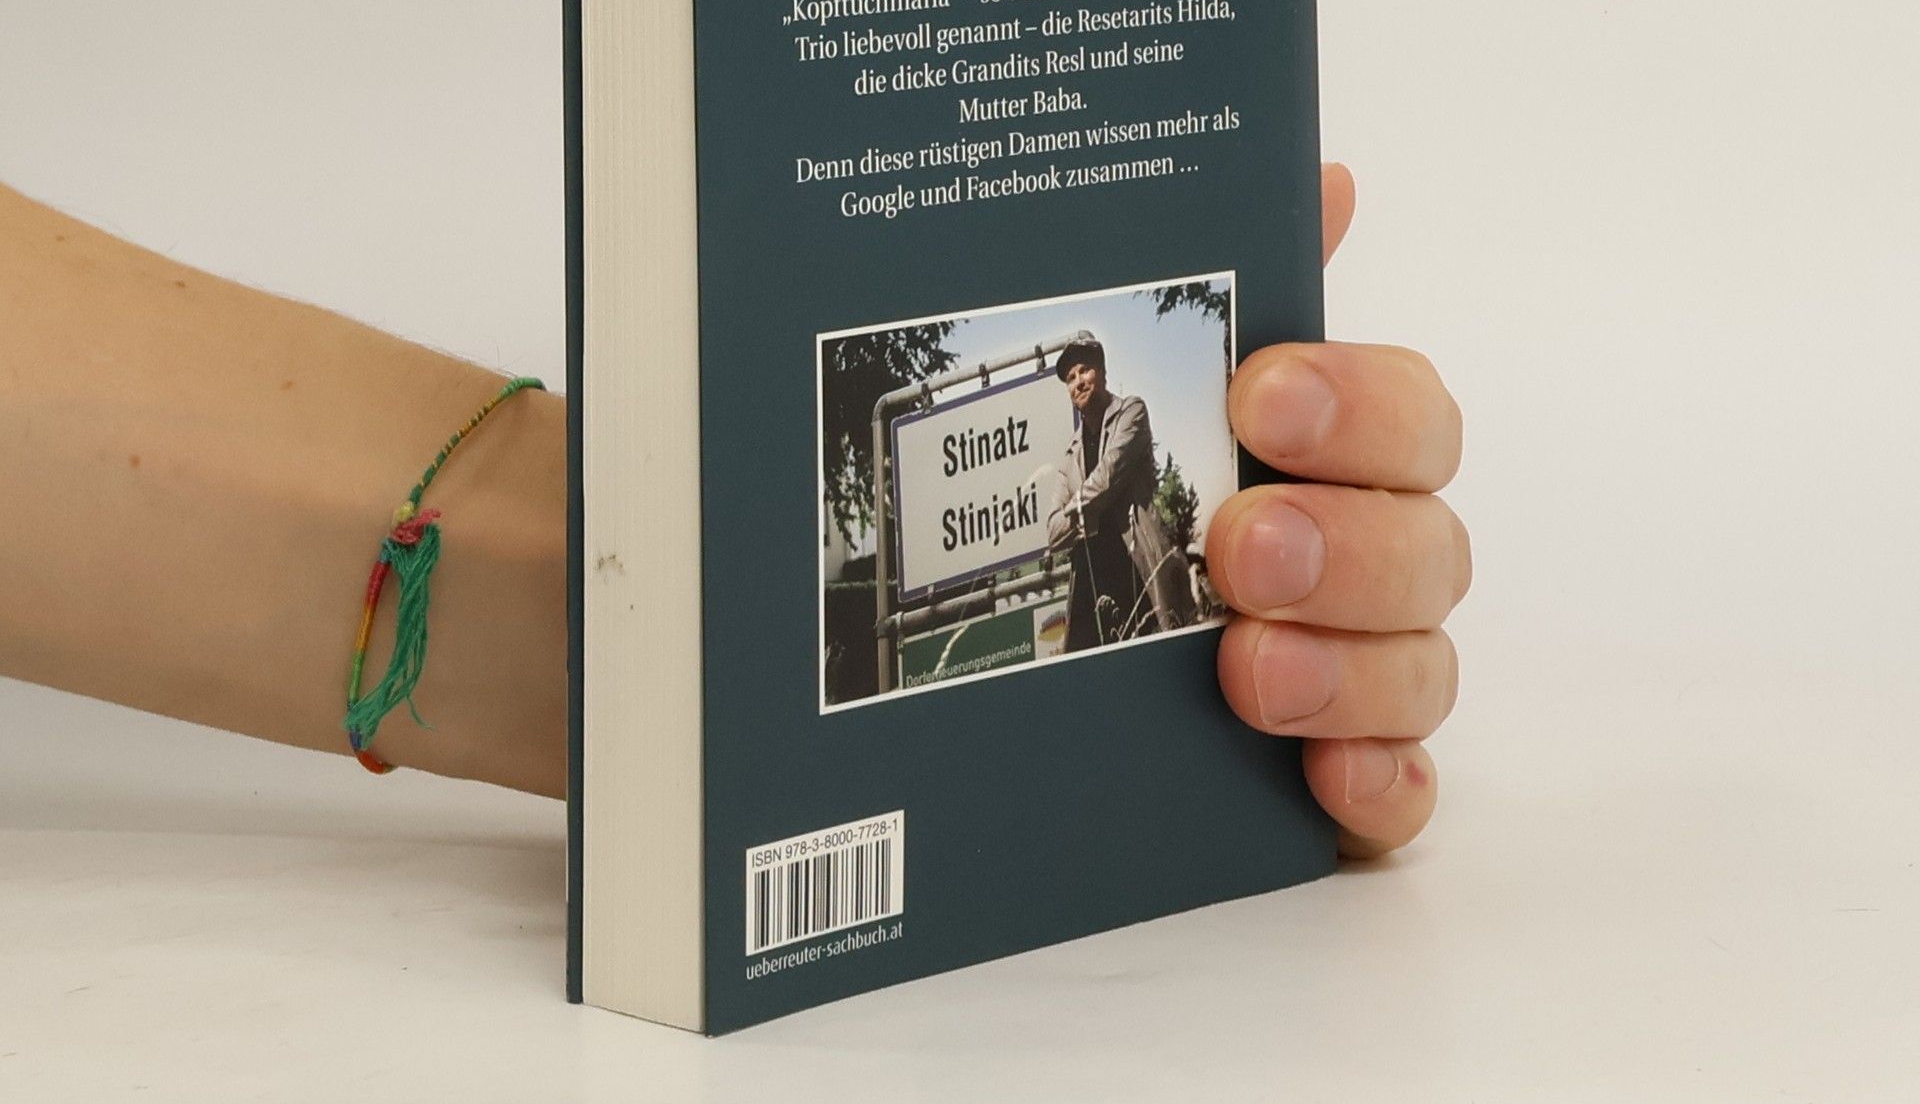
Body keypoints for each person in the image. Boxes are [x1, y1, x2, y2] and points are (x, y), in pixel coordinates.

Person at [0, 162, 1466, 859]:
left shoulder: (1124, 417)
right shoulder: (1062, 418)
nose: (1079, 381)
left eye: (1084, 368)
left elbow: (1099, 488)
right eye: (1073, 367)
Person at [1045, 332, 1194, 650]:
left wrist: (1074, 508)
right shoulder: (1070, 454)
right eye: (1070, 378)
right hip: (1089, 582)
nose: (1078, 382)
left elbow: (1107, 477)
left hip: (1136, 567)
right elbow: (1053, 533)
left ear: (1102, 370)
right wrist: (1082, 509)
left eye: (1085, 370)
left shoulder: (1131, 411)